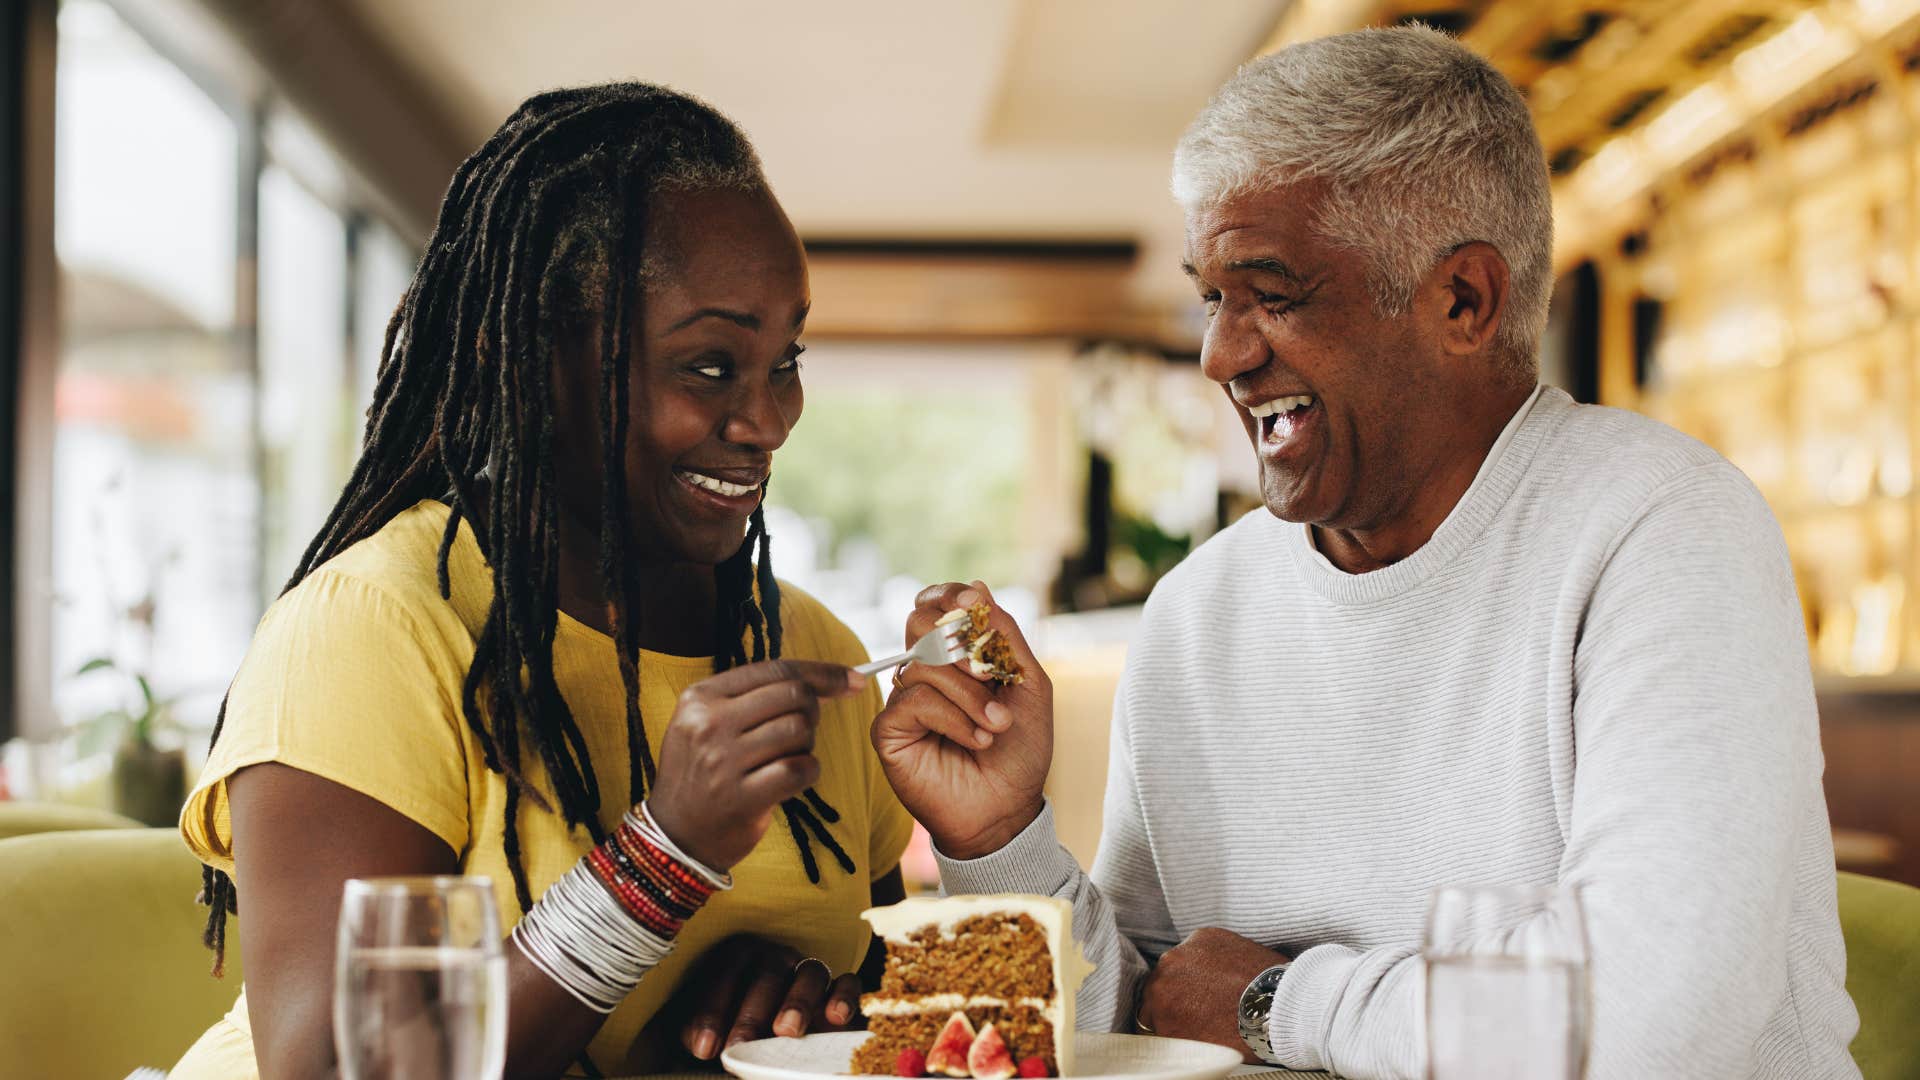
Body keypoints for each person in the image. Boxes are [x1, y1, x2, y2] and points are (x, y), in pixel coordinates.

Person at [873, 26, 1861, 1080]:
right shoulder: (1200, 611)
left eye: (1273, 293)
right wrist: (997, 843)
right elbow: (1144, 1017)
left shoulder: (1663, 532)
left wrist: (1275, 1003)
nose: (1221, 354)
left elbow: (1646, 1028)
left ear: (1462, 301)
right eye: (1212, 297)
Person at [172, 84, 913, 1079]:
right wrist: (662, 861)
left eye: (786, 360)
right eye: (707, 367)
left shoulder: (815, 654)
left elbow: (889, 1002)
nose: (768, 420)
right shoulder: (375, 628)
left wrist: (808, 1000)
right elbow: (332, 1070)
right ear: (535, 356)